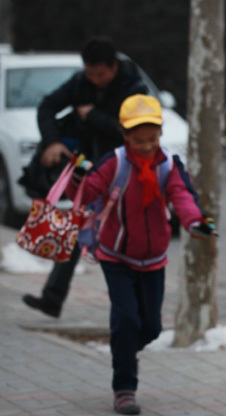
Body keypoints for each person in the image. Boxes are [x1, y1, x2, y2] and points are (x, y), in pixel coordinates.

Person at [68, 94, 216, 416]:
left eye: (152, 138)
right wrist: (77, 176)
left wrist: (195, 223)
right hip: (116, 257)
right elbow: (87, 193)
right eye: (139, 140)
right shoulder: (115, 162)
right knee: (127, 319)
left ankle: (123, 351)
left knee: (150, 328)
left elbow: (182, 196)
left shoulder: (169, 166)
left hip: (153, 259)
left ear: (160, 134)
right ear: (125, 136)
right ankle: (125, 388)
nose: (147, 146)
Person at [21, 36, 148, 318]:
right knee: (81, 229)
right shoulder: (81, 83)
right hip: (92, 168)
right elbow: (47, 107)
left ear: (114, 67)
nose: (95, 79)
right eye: (90, 73)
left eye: (100, 74)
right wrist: (53, 142)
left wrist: (94, 116)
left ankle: (137, 304)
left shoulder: (135, 90)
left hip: (123, 170)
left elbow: (134, 133)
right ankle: (53, 298)